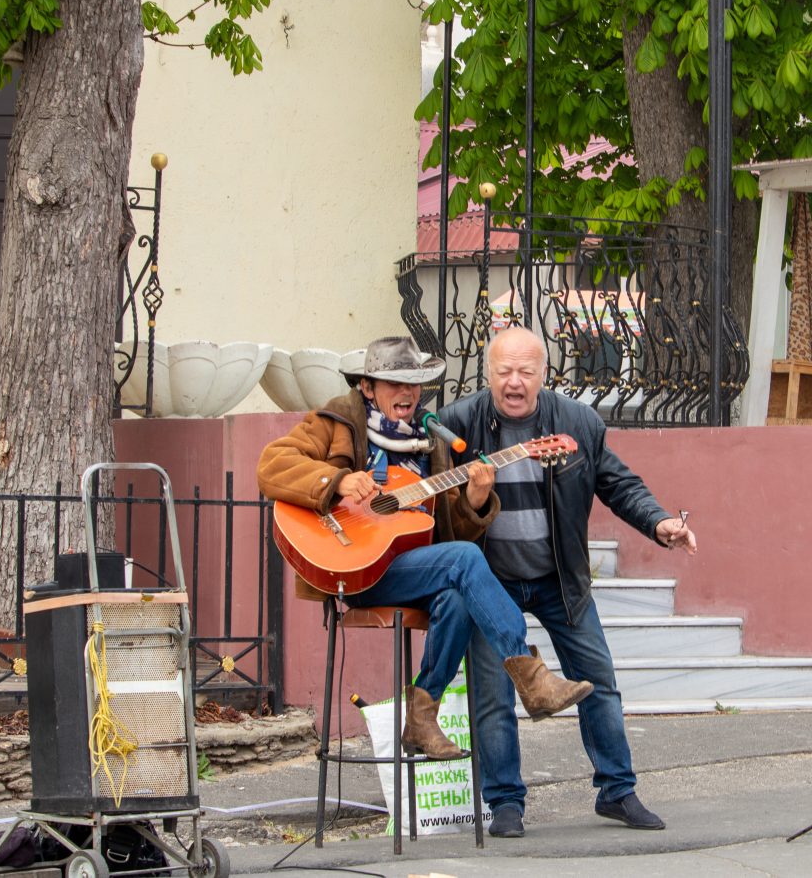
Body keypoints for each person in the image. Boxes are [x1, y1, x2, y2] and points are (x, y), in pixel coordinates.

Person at [257, 335, 593, 761]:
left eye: (414, 384)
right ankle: (532, 677)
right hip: (356, 569)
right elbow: (272, 464)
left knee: (456, 597)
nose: (407, 393)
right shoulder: (336, 421)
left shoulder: (431, 438)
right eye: (395, 383)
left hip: (413, 569)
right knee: (466, 561)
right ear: (367, 386)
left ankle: (420, 718)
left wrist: (474, 500)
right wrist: (338, 481)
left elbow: (447, 532)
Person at [439, 325, 698, 836]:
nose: (514, 382)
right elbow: (437, 515)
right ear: (487, 373)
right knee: (492, 694)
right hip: (489, 582)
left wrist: (659, 522)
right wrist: (470, 501)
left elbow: (619, 485)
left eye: (526, 372)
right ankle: (506, 803)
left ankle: (618, 792)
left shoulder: (578, 422)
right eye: (504, 371)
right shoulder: (455, 426)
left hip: (561, 577)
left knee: (598, 682)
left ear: (544, 375)